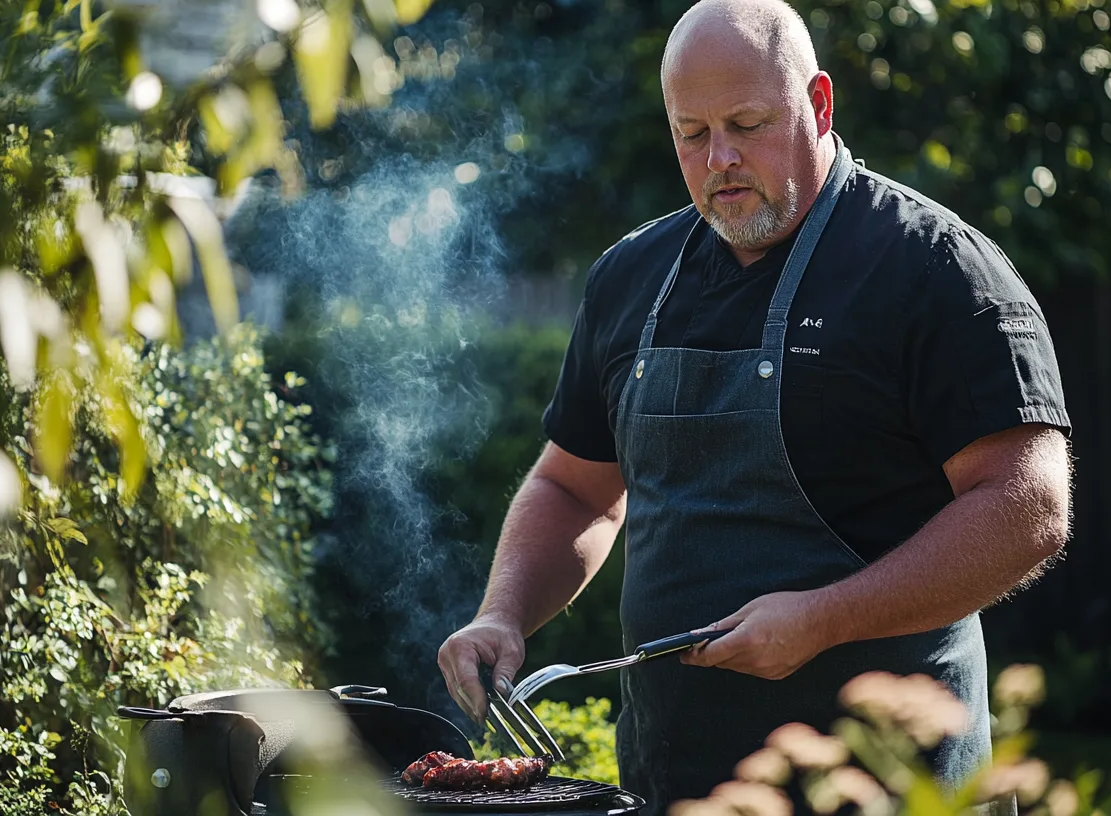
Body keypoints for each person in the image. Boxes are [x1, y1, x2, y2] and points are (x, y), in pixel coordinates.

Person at [437, 0, 1073, 812]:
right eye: (691, 134)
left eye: (746, 122)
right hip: (679, 788)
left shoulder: (932, 270)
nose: (720, 158)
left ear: (818, 104)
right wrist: (504, 615)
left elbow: (1029, 508)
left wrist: (824, 619)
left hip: (896, 785)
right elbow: (573, 488)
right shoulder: (630, 277)